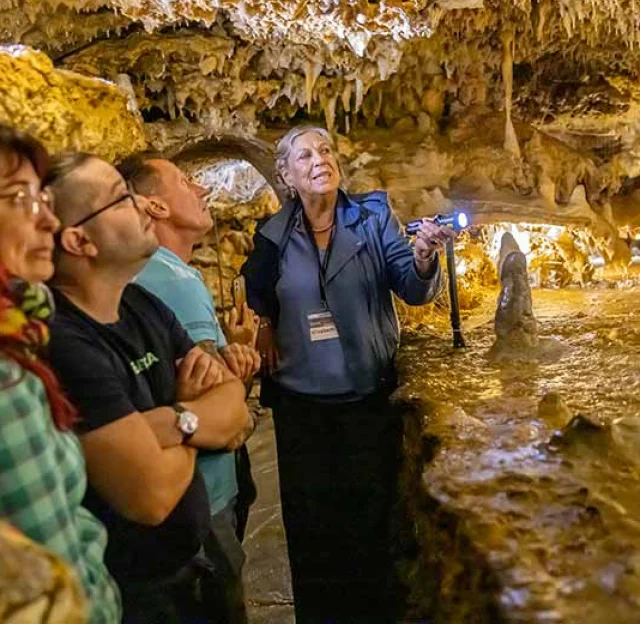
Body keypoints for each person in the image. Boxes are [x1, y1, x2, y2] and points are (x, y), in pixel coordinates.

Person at [241, 124, 454, 622]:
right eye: (305, 155)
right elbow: (254, 287)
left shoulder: (373, 217)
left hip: (364, 400)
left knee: (368, 527)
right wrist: (265, 322)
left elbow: (413, 287)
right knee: (312, 529)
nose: (320, 159)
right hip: (300, 409)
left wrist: (423, 258)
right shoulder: (273, 235)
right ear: (286, 175)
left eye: (326, 149)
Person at [45, 151, 253, 623]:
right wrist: (194, 414)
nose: (141, 208)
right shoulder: (63, 342)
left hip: (192, 567)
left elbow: (235, 404)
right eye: (121, 200)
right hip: (134, 595)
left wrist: (165, 423)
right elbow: (151, 495)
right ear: (79, 240)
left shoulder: (141, 303)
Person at [119, 154, 261, 623]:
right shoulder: (164, 280)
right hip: (200, 495)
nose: (202, 190)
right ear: (154, 208)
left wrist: (230, 353)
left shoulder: (171, 273)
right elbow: (216, 404)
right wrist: (229, 389)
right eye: (185, 181)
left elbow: (202, 377)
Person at [0, 124, 121, 623]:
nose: (47, 219)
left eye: (42, 197)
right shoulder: (9, 383)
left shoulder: (26, 334)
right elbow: (63, 593)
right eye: (18, 198)